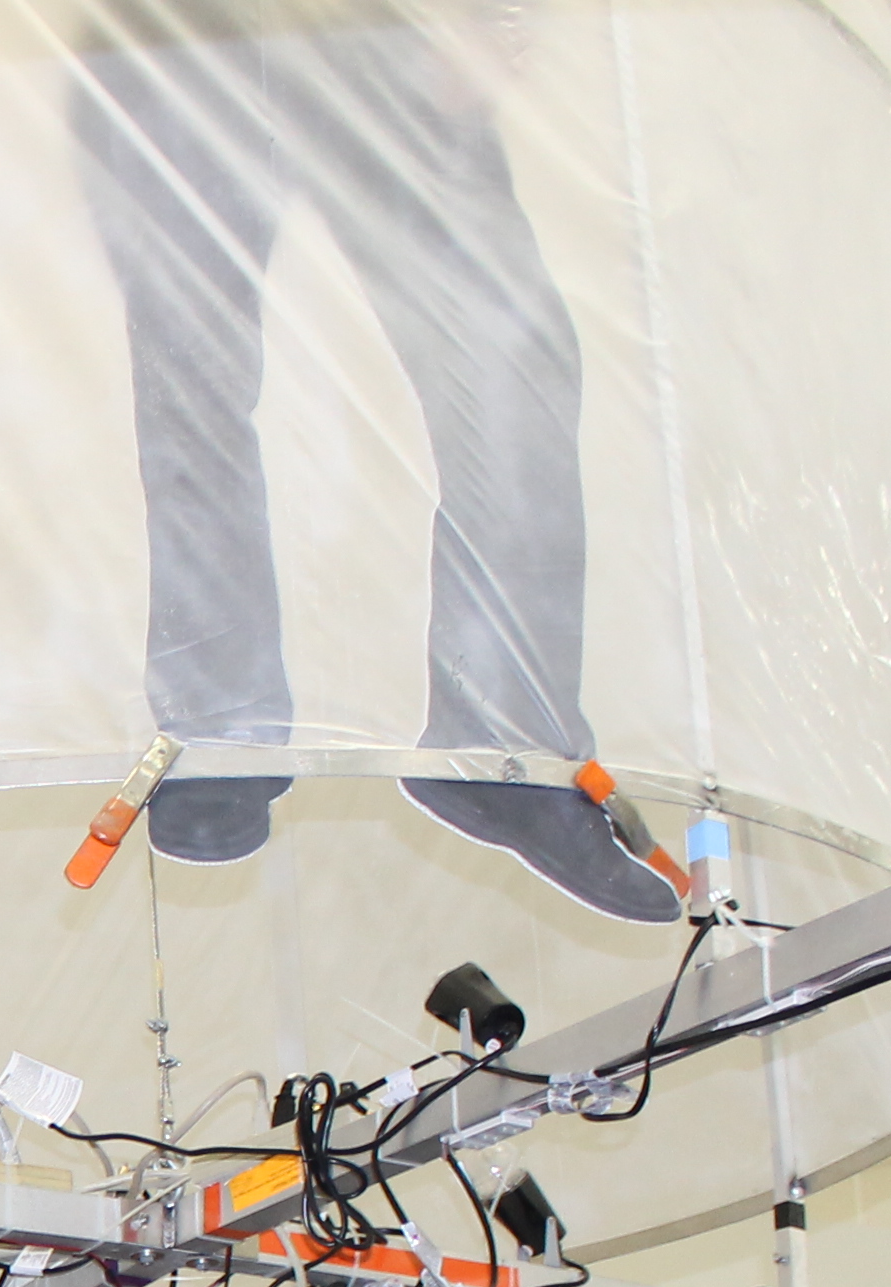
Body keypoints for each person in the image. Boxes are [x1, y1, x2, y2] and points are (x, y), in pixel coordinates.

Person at [68, 0, 676, 921]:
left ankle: (503, 745)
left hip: (380, 26)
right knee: (193, 377)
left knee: (511, 359)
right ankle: (221, 736)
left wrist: (498, 15)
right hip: (180, 28)